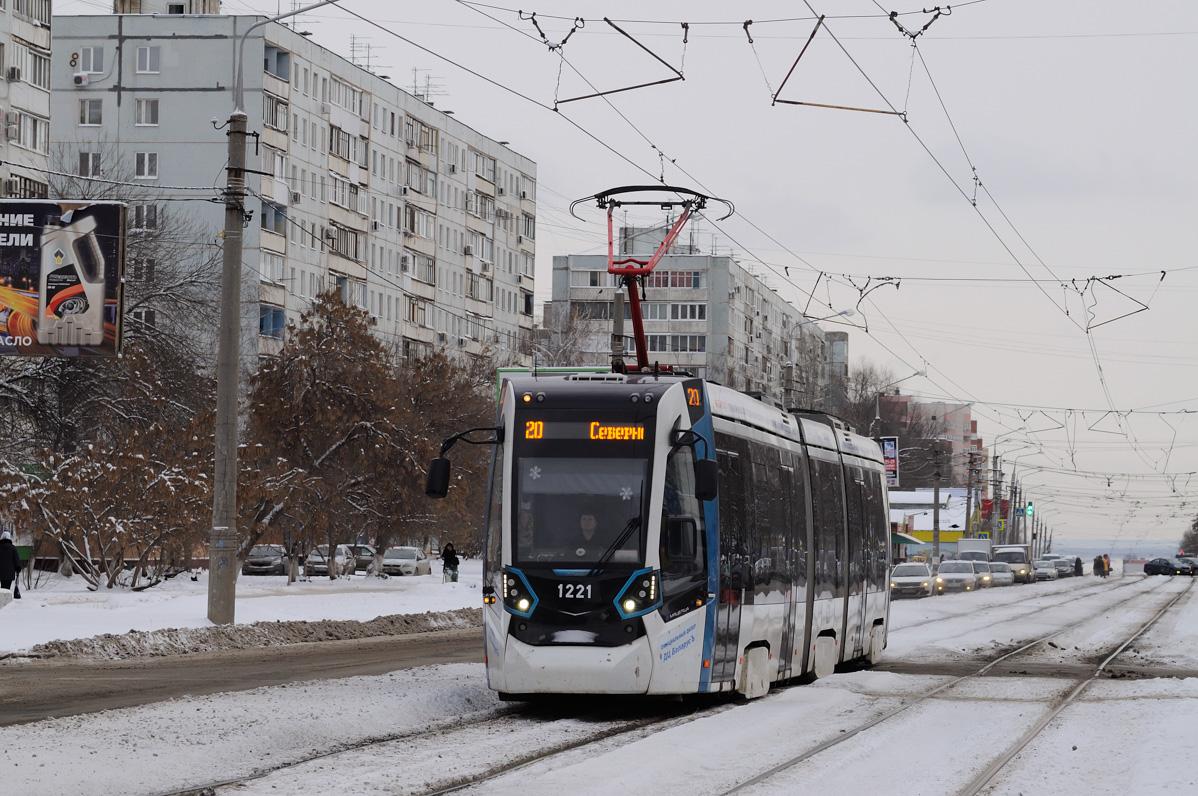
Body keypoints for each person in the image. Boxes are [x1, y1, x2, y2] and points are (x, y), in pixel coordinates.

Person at [1, 530, 22, 599]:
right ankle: (5, 600)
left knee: (1, 587)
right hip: (9, 572)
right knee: (7, 588)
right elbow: (16, 559)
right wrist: (18, 568)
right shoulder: (13, 548)